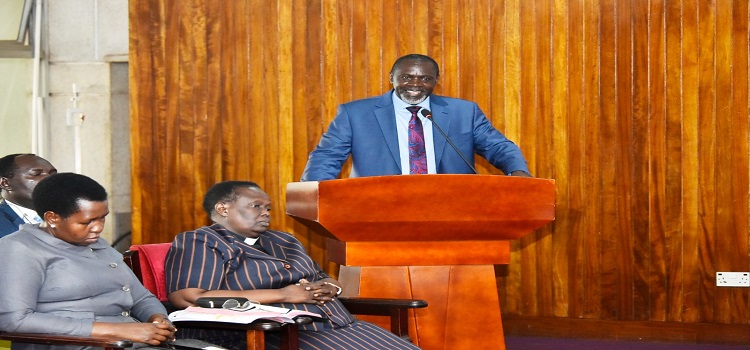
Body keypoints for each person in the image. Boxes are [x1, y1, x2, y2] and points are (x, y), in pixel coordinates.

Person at [164, 181, 420, 350]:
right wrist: (284, 294)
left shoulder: (284, 239)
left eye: (268, 207)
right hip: (276, 335)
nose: (265, 212)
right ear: (223, 209)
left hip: (343, 326)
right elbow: (188, 297)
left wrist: (332, 288)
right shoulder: (202, 240)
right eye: (256, 206)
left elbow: (323, 276)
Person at [0, 173, 177, 350]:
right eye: (88, 221)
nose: (99, 227)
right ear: (52, 218)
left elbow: (140, 297)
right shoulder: (19, 248)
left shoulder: (97, 243)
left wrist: (158, 319)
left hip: (130, 342)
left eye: (102, 217)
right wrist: (117, 331)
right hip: (74, 344)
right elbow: (14, 320)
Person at [301, 53, 532, 181]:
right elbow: (327, 157)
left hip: (452, 211)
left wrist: (518, 172)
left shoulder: (464, 112)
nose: (415, 84)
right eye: (407, 77)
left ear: (435, 81)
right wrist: (313, 189)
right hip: (375, 211)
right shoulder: (355, 114)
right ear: (392, 77)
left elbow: (498, 146)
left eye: (425, 79)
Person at [0, 154, 57, 238]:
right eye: (36, 174)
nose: (50, 179)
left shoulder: (70, 214)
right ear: (5, 183)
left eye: (53, 174)